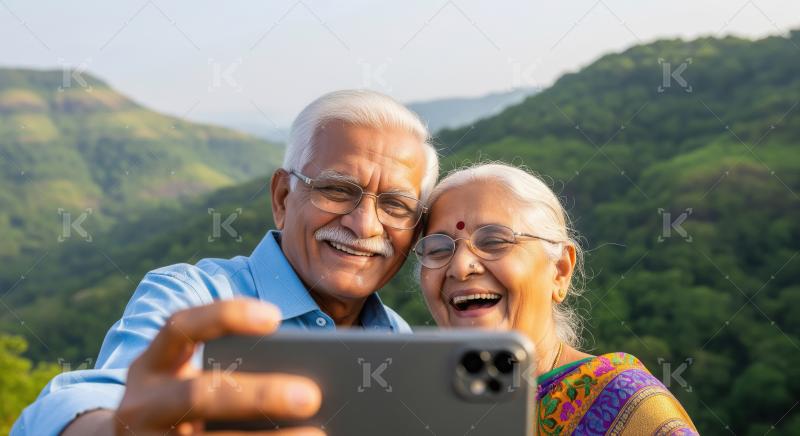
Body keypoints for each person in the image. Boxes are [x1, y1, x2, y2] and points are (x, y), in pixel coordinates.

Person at [12, 89, 439, 436]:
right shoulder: (191, 299)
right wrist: (121, 430)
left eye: (396, 205)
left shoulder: (401, 341)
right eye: (337, 190)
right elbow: (92, 398)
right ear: (282, 198)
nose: (364, 224)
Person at [414, 163, 698, 435]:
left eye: (494, 242)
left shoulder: (624, 403)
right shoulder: (415, 407)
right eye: (438, 249)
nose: (461, 267)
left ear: (560, 271)